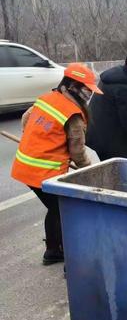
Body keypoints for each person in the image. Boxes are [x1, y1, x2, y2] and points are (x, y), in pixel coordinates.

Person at [11, 63, 103, 265]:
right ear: (72, 85)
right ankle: (69, 257)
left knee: (55, 209)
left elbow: (26, 120)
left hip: (24, 166)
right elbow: (78, 153)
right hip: (44, 172)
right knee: (63, 210)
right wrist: (91, 173)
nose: (89, 94)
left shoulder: (46, 98)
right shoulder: (73, 114)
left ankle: (52, 250)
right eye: (86, 89)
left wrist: (39, 140)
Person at [86, 51, 127, 160]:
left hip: (99, 134)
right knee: (117, 172)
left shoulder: (115, 76)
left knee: (110, 169)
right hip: (109, 140)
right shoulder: (123, 88)